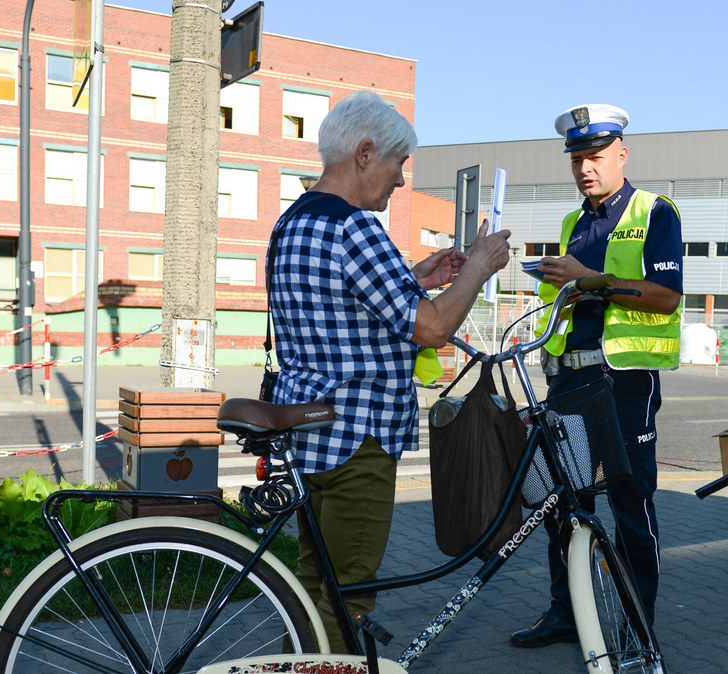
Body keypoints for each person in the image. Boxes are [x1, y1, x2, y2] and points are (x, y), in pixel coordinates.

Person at [268, 89, 511, 653]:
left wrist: (417, 278)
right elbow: (431, 330)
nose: (401, 179)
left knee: (311, 583)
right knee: (347, 596)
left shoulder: (294, 222)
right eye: (399, 163)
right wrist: (476, 268)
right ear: (364, 152)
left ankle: (294, 662)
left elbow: (337, 303)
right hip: (358, 436)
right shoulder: (356, 228)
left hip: (307, 433)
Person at [510, 103, 684, 648]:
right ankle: (568, 613)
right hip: (568, 380)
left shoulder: (655, 211)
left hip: (623, 382)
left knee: (632, 503)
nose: (586, 167)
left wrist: (591, 279)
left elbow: (668, 297)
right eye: (577, 158)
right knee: (562, 501)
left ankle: (638, 627)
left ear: (621, 155)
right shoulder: (573, 222)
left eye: (596, 156)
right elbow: (570, 301)